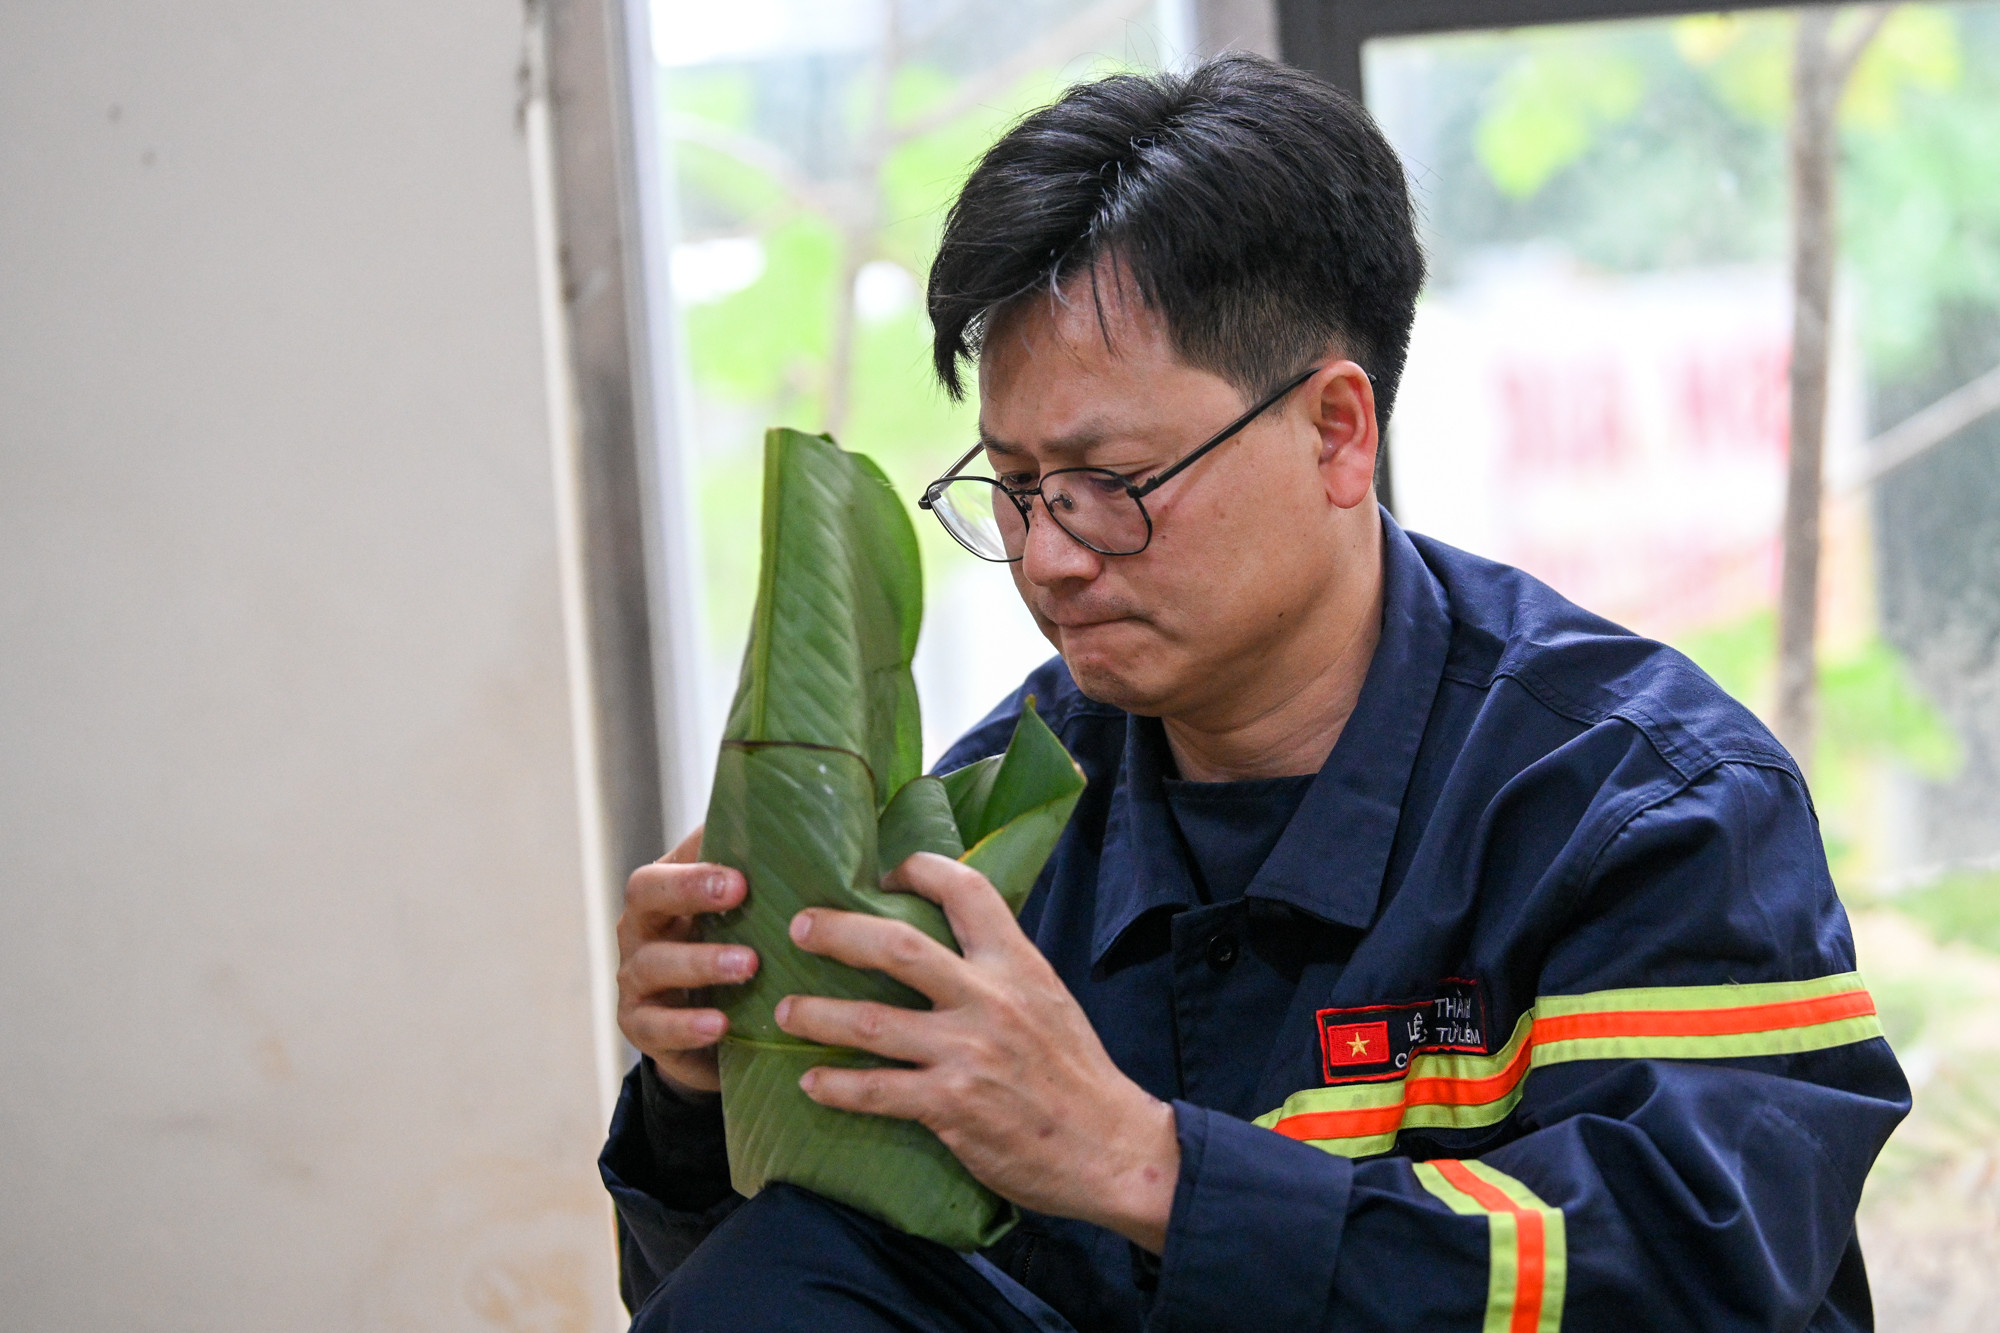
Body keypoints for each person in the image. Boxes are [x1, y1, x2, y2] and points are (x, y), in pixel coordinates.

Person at [601, 54, 1908, 1332]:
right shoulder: (1005, 817)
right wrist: (705, 1087)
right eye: (1017, 485)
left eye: (1112, 482)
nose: (1049, 555)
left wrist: (1143, 1164)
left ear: (1338, 430)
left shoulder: (1642, 806)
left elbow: (1691, 1274)